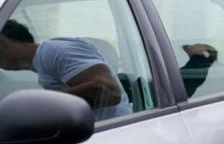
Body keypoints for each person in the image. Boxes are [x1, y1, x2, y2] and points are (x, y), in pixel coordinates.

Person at [0, 19, 132, 121]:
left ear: (2, 43)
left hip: (112, 138)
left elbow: (108, 90)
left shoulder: (52, 51)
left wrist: (34, 108)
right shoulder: (44, 63)